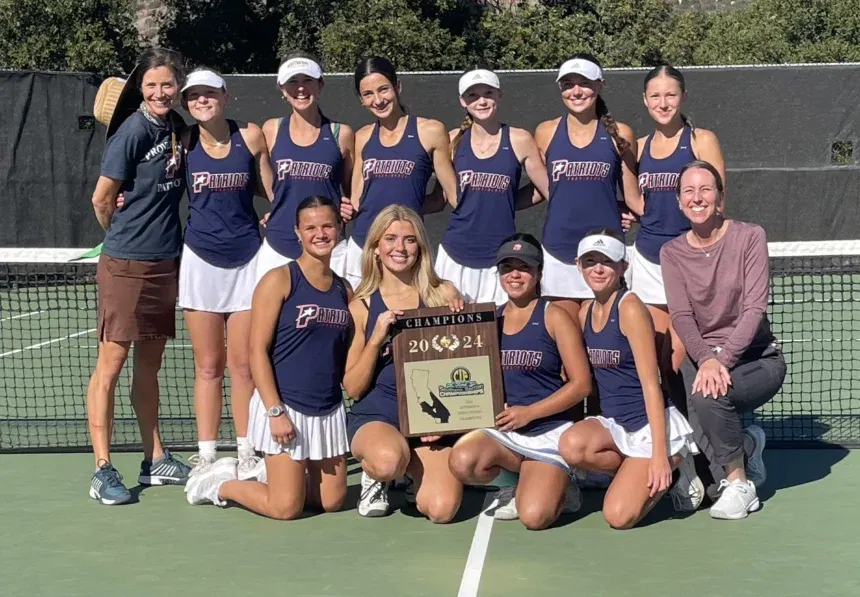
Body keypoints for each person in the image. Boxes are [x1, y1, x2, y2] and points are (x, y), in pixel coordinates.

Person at [185, 196, 353, 519]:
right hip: (284, 407)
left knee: (331, 502)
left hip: (328, 410)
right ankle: (219, 484)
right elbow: (256, 352)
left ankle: (277, 476)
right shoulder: (279, 280)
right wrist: (275, 411)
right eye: (311, 227)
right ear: (297, 232)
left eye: (327, 226)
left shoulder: (345, 290)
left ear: (339, 228)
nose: (320, 234)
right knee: (285, 507)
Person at [87, 47, 191, 505]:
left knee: (150, 366)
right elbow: (101, 198)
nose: (160, 92)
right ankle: (102, 469)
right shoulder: (131, 131)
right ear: (141, 90)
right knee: (110, 367)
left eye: (167, 84)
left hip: (166, 263)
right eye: (151, 85)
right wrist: (121, 235)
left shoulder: (178, 129)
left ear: (178, 86)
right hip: (126, 266)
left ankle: (154, 459)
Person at [661, 160, 786, 520]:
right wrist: (706, 358)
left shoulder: (749, 237)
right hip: (705, 357)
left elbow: (753, 309)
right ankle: (737, 462)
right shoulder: (672, 253)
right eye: (688, 191)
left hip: (758, 359)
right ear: (679, 201)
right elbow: (682, 316)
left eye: (705, 190)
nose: (697, 197)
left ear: (720, 199)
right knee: (680, 385)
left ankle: (740, 485)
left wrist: (721, 359)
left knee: (707, 394)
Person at [558, 228, 701, 530]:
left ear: (623, 266)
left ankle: (676, 463)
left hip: (649, 428)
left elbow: (652, 384)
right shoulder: (585, 313)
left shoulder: (631, 309)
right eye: (590, 261)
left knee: (618, 517)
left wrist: (659, 454)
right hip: (614, 425)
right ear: (578, 265)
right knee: (570, 446)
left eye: (607, 262)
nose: (598, 269)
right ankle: (632, 473)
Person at [448, 234, 591, 529]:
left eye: (524, 267)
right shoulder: (489, 319)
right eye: (507, 267)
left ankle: (563, 483)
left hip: (548, 431)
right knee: (462, 461)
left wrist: (530, 413)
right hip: (507, 433)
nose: (515, 274)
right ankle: (516, 482)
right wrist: (457, 318)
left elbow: (581, 385)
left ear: (538, 272)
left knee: (535, 517)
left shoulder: (555, 317)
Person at [176, 68, 274, 479]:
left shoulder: (250, 137)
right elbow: (155, 186)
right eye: (194, 95)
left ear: (225, 97)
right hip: (199, 263)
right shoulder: (181, 143)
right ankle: (207, 453)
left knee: (244, 366)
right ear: (187, 103)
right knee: (208, 366)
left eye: (209, 93)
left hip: (248, 261)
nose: (202, 100)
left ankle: (247, 449)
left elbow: (274, 192)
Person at [343, 205, 465, 522]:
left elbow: (464, 367)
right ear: (376, 248)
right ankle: (380, 474)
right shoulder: (362, 305)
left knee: (442, 509)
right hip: (380, 414)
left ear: (420, 247)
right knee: (386, 461)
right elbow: (353, 387)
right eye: (391, 239)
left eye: (410, 240)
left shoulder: (444, 295)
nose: (400, 248)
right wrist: (377, 337)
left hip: (431, 419)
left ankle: (412, 471)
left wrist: (464, 323)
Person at [628, 65, 726, 377]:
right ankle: (666, 424)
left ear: (683, 97)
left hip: (690, 265)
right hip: (647, 262)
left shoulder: (701, 140)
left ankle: (710, 423)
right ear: (645, 100)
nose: (663, 102)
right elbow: (636, 200)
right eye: (655, 96)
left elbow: (717, 202)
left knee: (682, 357)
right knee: (658, 358)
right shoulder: (639, 148)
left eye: (670, 95)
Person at [534, 53, 641, 322]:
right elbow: (547, 189)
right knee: (562, 344)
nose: (576, 91)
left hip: (606, 256)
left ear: (600, 85)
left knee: (603, 341)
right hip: (558, 253)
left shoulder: (622, 134)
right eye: (568, 83)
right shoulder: (545, 132)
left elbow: (633, 196)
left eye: (584, 82)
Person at [435, 68, 550, 305]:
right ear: (462, 101)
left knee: (496, 334)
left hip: (501, 258)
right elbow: (444, 194)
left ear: (500, 95)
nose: (482, 100)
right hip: (455, 253)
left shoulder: (519, 139)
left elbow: (547, 189)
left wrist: (507, 203)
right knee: (451, 332)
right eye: (473, 95)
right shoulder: (452, 140)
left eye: (488, 93)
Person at [346, 56, 458, 289]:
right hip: (362, 246)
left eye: (383, 89)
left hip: (403, 250)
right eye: (368, 94)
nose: (378, 100)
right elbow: (357, 200)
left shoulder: (430, 131)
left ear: (398, 86)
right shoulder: (362, 136)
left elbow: (449, 197)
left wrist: (409, 208)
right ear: (360, 99)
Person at [258, 54, 356, 282]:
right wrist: (277, 206)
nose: (300, 88)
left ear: (320, 84)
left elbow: (352, 190)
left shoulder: (341, 133)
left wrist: (351, 207)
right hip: (279, 246)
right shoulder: (271, 130)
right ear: (282, 89)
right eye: (293, 82)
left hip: (330, 246)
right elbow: (268, 183)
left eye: (307, 80)